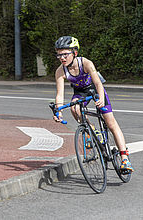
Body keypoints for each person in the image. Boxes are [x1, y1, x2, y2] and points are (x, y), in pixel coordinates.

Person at [53, 36, 134, 172]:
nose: (62, 58)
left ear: (75, 53)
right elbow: (59, 94)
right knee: (74, 107)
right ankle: (92, 131)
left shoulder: (86, 63)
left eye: (65, 54)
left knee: (111, 123)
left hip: (96, 89)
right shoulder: (60, 71)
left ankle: (125, 159)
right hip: (81, 92)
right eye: (59, 54)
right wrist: (58, 111)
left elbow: (97, 83)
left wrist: (101, 98)